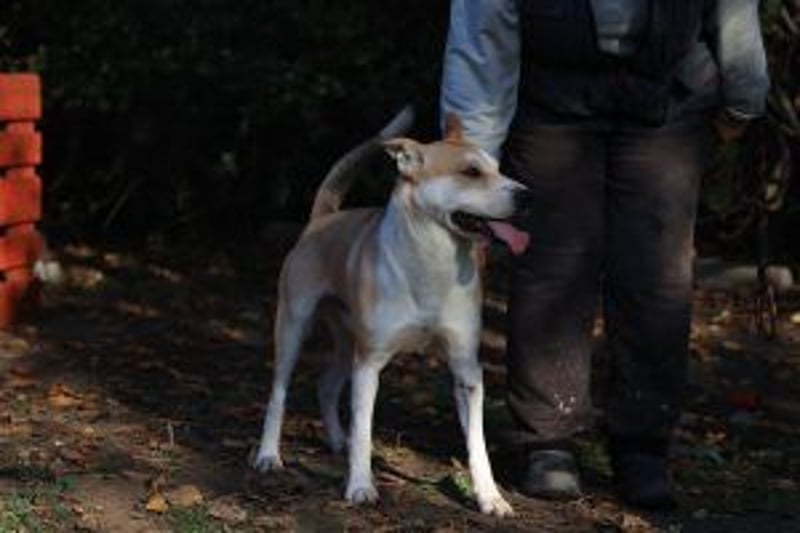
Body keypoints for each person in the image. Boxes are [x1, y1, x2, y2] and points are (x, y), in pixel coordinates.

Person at [440, 0, 769, 509]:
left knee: (654, 274)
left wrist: (745, 91)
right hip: (552, 101)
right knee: (551, 266)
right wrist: (472, 181)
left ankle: (643, 445)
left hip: (670, 97)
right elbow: (483, 39)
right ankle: (547, 440)